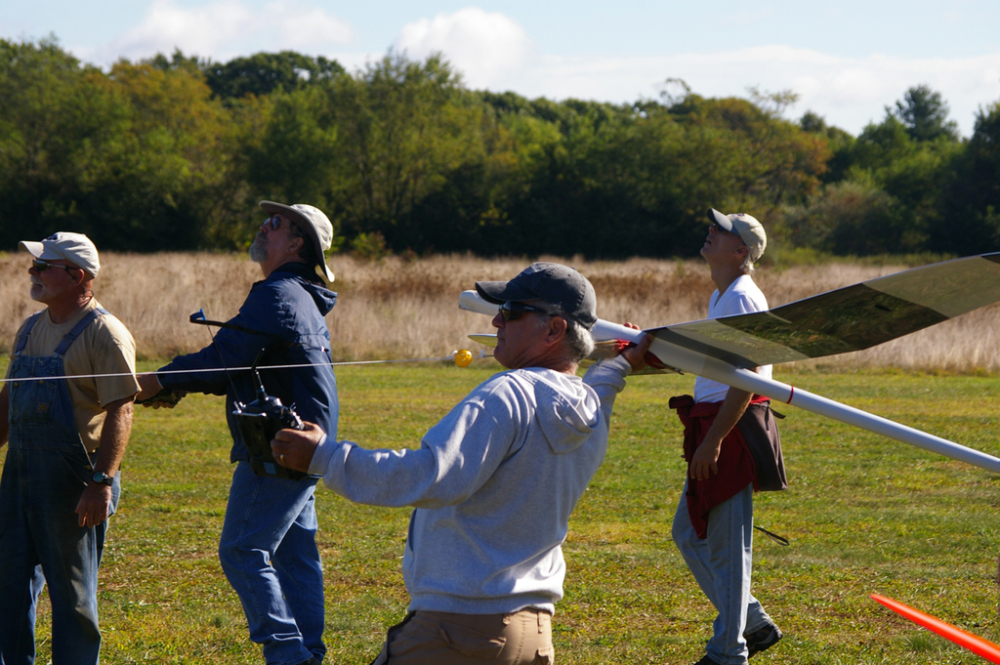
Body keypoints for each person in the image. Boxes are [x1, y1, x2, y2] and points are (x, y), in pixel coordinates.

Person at [271, 262, 652, 665]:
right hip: (534, 638)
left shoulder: (509, 392)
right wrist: (623, 362)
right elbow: (602, 383)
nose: (495, 320)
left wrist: (324, 456)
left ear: (554, 330)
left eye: (511, 312)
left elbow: (433, 476)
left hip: (458, 631)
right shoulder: (590, 406)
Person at [136, 201, 339, 665]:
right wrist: (177, 385)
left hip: (279, 441)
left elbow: (224, 360)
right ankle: (309, 651)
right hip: (303, 438)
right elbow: (244, 365)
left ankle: (290, 654)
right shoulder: (296, 295)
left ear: (296, 243)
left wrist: (161, 380)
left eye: (275, 224)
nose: (262, 228)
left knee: (243, 548)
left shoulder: (278, 294)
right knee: (294, 552)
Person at [0, 232, 139, 665]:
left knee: (73, 599)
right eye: (35, 265)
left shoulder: (106, 334)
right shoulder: (29, 329)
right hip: (18, 481)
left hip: (74, 488)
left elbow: (122, 411)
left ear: (77, 276)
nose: (32, 272)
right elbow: (7, 404)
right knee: (7, 586)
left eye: (44, 266)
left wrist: (101, 483)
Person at [670, 210, 786, 665]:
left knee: (728, 546)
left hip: (731, 427)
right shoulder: (723, 295)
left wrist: (714, 440)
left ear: (741, 252)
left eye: (722, 231)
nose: (711, 232)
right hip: (716, 422)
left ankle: (728, 651)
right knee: (690, 533)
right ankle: (752, 622)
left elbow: (749, 377)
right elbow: (720, 367)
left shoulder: (740, 297)